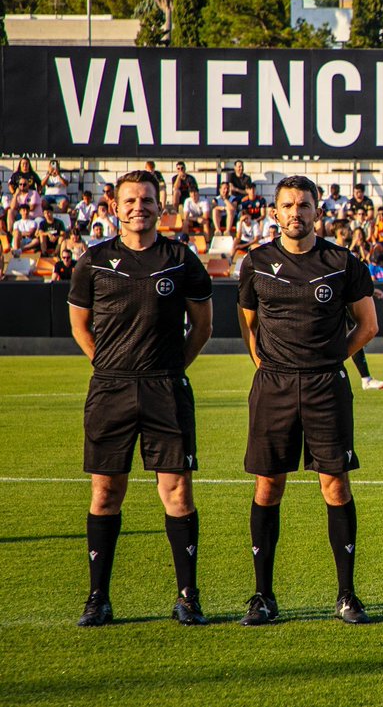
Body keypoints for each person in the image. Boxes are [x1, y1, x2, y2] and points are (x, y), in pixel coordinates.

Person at [67, 170, 214, 627]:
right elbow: (80, 326)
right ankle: (98, 598)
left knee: (177, 491)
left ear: (160, 206)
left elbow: (203, 327)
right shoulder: (93, 261)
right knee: (106, 491)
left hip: (165, 388)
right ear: (115, 207)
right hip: (110, 388)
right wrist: (108, 365)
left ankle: (187, 597)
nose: (139, 208)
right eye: (130, 200)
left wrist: (170, 369)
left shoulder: (180, 258)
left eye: (147, 200)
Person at [236, 175, 379, 626]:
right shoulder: (255, 262)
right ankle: (262, 596)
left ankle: (347, 595)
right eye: (287, 205)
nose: (295, 212)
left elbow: (367, 325)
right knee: (267, 485)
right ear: (274, 213)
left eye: (304, 205)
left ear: (318, 211)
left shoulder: (341, 261)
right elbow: (249, 327)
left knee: (335, 486)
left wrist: (330, 358)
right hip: (273, 388)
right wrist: (268, 366)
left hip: (325, 388)